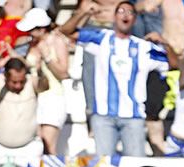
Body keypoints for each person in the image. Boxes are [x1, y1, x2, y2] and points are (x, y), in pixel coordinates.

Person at [60, 0, 171, 157]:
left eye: (130, 12)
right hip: (104, 117)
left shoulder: (143, 47)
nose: (125, 15)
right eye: (121, 11)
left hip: (133, 117)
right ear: (113, 17)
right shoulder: (101, 38)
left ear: (135, 18)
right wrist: (83, 13)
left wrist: (166, 44)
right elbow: (66, 31)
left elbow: (173, 63)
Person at [18, 7, 69, 155]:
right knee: (38, 145)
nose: (29, 34)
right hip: (35, 99)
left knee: (48, 145)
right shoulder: (32, 44)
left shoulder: (57, 41)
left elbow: (63, 73)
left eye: (32, 30)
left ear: (41, 29)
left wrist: (47, 56)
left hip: (53, 98)